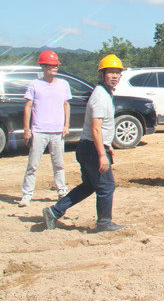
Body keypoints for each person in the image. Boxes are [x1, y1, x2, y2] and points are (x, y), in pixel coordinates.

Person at [42, 54, 127, 232]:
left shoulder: (105, 93)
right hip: (92, 149)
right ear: (102, 74)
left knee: (89, 185)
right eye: (111, 72)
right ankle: (104, 223)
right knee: (106, 186)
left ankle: (54, 211)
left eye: (117, 72)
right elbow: (96, 129)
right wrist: (102, 154)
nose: (115, 76)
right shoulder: (100, 96)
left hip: (89, 147)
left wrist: (108, 146)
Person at [18, 50, 72, 207]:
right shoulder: (35, 84)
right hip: (39, 130)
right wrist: (27, 129)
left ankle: (62, 191)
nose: (54, 68)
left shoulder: (63, 84)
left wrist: (66, 125)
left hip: (57, 131)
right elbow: (28, 107)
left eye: (56, 65)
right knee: (33, 165)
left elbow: (66, 105)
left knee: (59, 164)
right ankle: (27, 194)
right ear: (43, 66)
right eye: (51, 65)